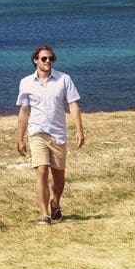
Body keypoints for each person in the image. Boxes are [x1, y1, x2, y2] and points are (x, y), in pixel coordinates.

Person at [16, 45, 84, 225]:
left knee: (59, 175)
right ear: (35, 60)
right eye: (44, 58)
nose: (48, 62)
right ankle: (45, 214)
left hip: (58, 133)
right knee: (42, 170)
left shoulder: (64, 79)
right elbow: (24, 110)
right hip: (37, 132)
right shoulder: (26, 83)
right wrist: (20, 138)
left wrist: (79, 130)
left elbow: (73, 105)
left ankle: (56, 202)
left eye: (50, 58)